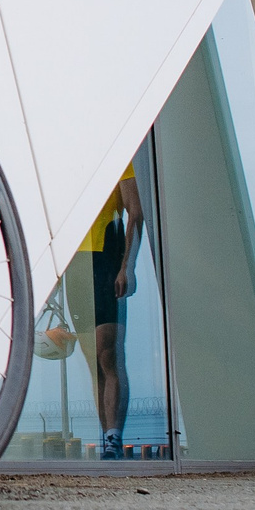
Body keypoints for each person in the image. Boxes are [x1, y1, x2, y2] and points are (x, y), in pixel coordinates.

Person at [81, 166, 144, 459]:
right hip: (75, 266)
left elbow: (136, 212)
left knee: (108, 353)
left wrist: (127, 265)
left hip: (106, 257)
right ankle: (107, 437)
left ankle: (113, 437)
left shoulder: (119, 160)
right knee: (93, 360)